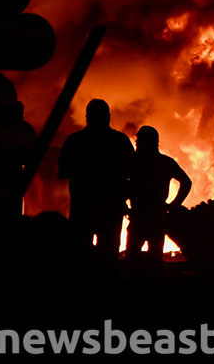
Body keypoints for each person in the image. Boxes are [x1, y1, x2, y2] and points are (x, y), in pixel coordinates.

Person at [57, 99, 134, 262]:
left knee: (80, 255)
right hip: (111, 209)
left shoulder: (75, 141)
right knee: (108, 257)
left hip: (82, 208)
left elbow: (62, 173)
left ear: (87, 118)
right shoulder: (120, 141)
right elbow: (134, 174)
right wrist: (122, 195)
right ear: (108, 117)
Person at [126, 125, 192, 258]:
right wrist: (174, 204)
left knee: (136, 257)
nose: (136, 142)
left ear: (149, 142)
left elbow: (186, 182)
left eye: (140, 140)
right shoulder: (163, 162)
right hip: (148, 217)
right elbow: (186, 182)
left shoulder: (136, 162)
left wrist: (174, 205)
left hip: (147, 217)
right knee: (150, 258)